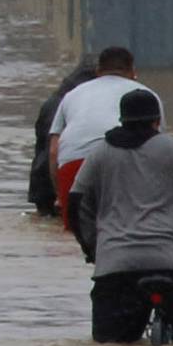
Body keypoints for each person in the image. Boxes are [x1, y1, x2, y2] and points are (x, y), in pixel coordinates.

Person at [69, 88, 173, 343]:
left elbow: (76, 203)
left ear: (121, 120)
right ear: (157, 121)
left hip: (115, 268)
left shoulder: (100, 154)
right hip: (169, 265)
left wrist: (92, 248)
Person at [47, 45, 157, 227]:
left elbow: (53, 151)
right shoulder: (147, 96)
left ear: (98, 71)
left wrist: (60, 196)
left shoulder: (71, 95)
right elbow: (156, 148)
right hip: (123, 168)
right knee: (126, 229)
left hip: (73, 167)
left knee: (76, 234)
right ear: (133, 72)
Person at [30, 58, 95, 216]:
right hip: (56, 183)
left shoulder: (55, 101)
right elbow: (54, 150)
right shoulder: (72, 105)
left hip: (42, 183)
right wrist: (60, 194)